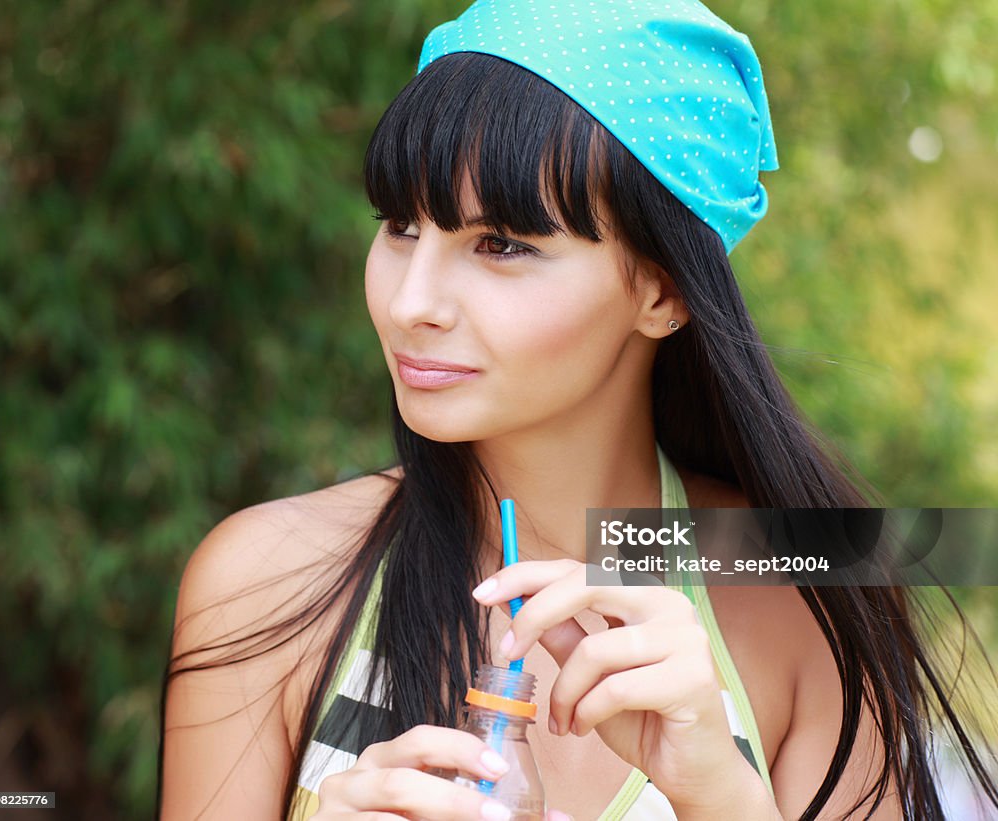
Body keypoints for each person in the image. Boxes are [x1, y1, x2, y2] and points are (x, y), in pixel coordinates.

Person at [156, 1, 998, 819]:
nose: (413, 301)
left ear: (664, 290)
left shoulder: (797, 594)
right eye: (401, 225)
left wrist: (725, 802)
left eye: (502, 245)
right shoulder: (267, 585)